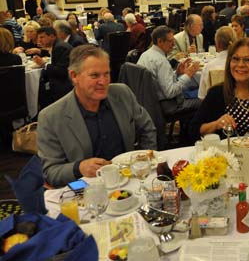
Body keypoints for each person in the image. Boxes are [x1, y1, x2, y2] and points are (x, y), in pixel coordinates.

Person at [37, 44, 157, 187]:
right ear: (74, 76)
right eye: (94, 75)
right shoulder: (51, 117)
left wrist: (145, 165)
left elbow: (147, 128)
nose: (103, 81)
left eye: (106, 74)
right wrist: (79, 167)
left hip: (129, 181)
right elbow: (50, 172)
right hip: (84, 189)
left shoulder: (122, 94)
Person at [137, 25, 200, 117]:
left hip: (148, 103)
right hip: (167, 105)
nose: (173, 44)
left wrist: (177, 73)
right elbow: (170, 92)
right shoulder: (161, 61)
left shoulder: (146, 54)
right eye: (170, 41)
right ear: (160, 41)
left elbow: (159, 80)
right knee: (203, 99)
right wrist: (188, 75)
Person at [34, 26, 73, 107]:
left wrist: (43, 64)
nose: (39, 40)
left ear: (52, 36)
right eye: (38, 38)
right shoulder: (57, 45)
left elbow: (61, 71)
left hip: (64, 87)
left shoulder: (60, 47)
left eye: (42, 37)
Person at [198, 26, 236, 99]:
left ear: (217, 44)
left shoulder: (209, 66)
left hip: (213, 107)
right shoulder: (240, 66)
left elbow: (201, 96)